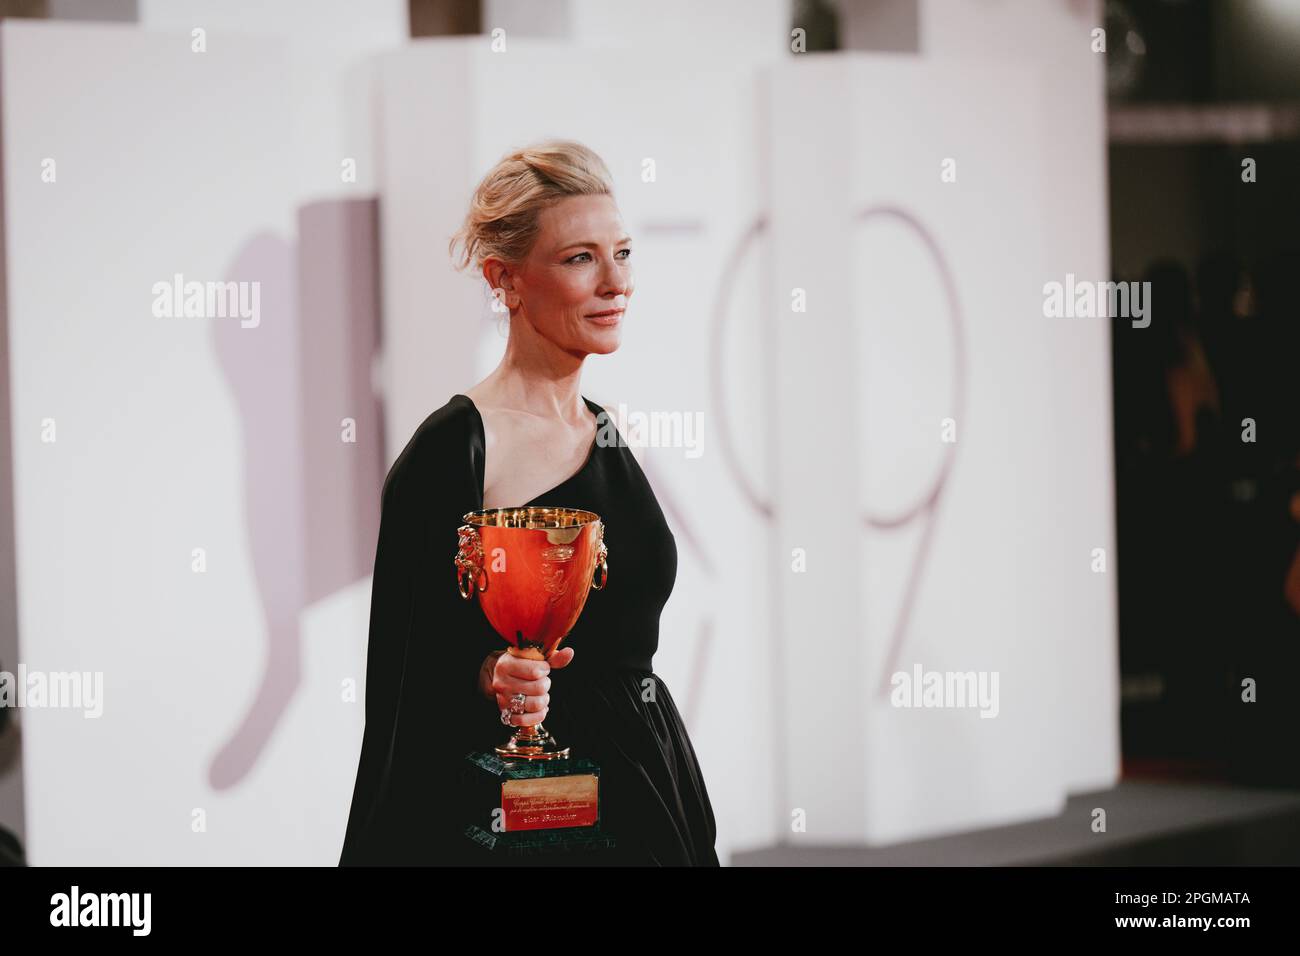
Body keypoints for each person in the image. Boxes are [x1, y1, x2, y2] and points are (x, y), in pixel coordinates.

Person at [339, 140, 719, 866]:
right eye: (580, 258)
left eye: (624, 252)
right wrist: (490, 678)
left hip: (649, 783)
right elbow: (407, 683)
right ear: (506, 281)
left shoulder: (606, 433)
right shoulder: (455, 449)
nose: (616, 282)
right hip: (529, 820)